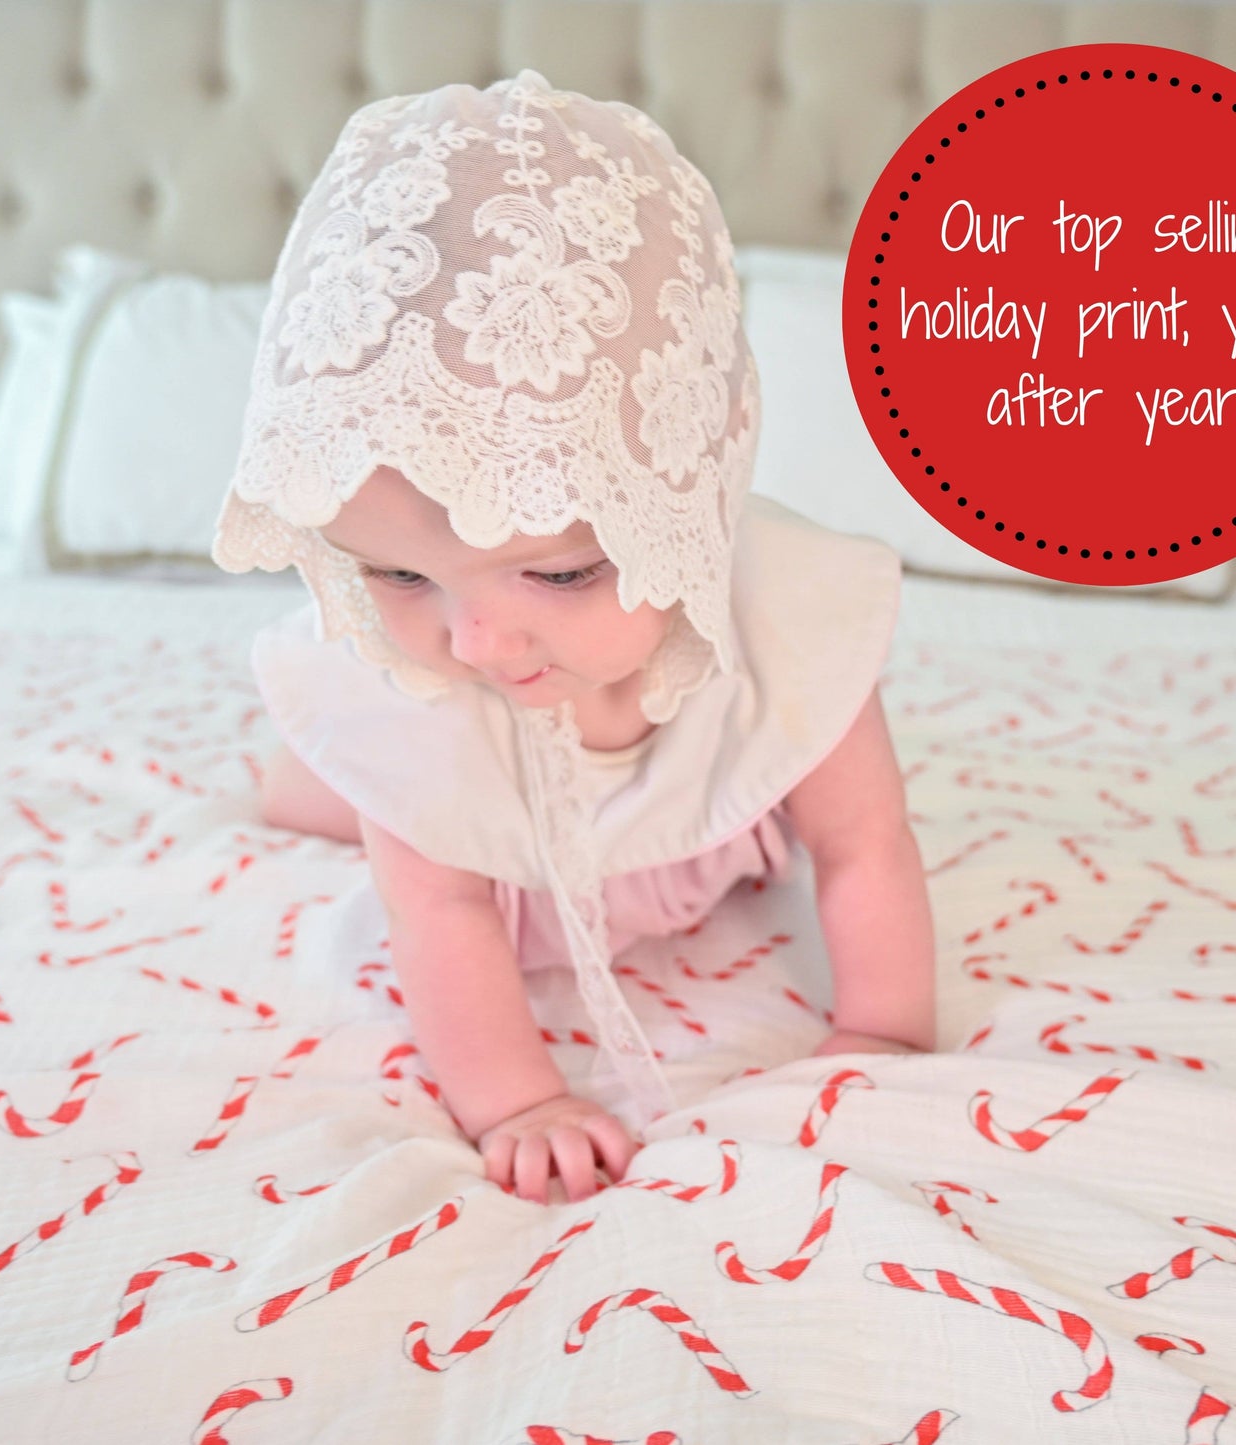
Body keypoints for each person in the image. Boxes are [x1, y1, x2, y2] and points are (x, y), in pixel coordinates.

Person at [212, 70, 935, 1206]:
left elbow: (863, 845)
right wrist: (518, 1098)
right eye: (397, 573)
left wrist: (884, 1032)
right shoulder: (414, 680)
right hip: (480, 841)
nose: (477, 637)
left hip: (662, 810)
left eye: (556, 571)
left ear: (680, 493)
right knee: (317, 785)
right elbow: (439, 908)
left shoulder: (788, 620)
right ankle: (300, 769)